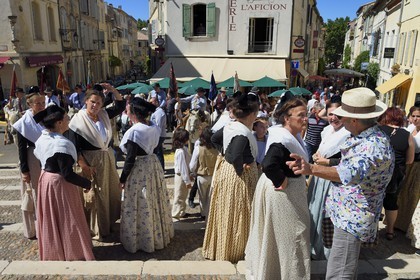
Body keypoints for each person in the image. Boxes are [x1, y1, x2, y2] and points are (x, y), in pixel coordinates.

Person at [287, 87, 393, 279]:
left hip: (351, 218)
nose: (339, 119)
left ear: (354, 120)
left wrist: (311, 169)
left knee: (340, 272)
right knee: (341, 268)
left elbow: (347, 173)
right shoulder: (365, 137)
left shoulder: (373, 146)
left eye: (343, 116)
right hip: (346, 215)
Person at [245, 92, 311, 279]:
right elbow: (268, 164)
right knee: (292, 236)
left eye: (306, 114)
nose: (305, 118)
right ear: (286, 118)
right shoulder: (283, 138)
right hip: (283, 194)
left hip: (285, 192)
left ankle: (278, 272)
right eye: (300, 115)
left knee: (281, 236)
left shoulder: (290, 135)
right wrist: (282, 181)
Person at [202, 91, 260, 262]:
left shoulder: (231, 126)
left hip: (227, 172)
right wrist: (240, 167)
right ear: (252, 114)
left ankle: (223, 247)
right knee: (238, 212)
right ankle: (234, 250)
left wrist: (224, 153)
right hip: (238, 176)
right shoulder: (242, 132)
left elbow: (214, 138)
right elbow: (235, 155)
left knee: (227, 210)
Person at [33, 105, 94, 261]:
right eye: (66, 118)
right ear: (59, 123)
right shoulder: (61, 144)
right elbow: (67, 174)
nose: (68, 120)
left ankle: (55, 250)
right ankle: (73, 252)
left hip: (45, 180)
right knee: (68, 218)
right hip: (59, 184)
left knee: (52, 218)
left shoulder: (43, 138)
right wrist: (87, 184)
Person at [65, 83, 125, 240]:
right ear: (86, 101)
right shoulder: (77, 121)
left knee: (108, 193)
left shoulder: (104, 115)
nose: (95, 105)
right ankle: (96, 229)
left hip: (106, 160)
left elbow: (120, 105)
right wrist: (83, 165)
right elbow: (73, 146)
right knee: (95, 196)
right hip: (90, 163)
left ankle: (108, 223)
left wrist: (113, 90)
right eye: (92, 102)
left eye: (99, 103)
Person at [119, 98, 174, 253]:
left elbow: (130, 159)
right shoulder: (153, 126)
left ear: (133, 112)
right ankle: (157, 233)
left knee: (140, 201)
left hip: (140, 168)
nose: (126, 110)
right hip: (152, 164)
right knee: (153, 199)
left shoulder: (135, 132)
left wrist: (122, 179)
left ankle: (140, 239)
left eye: (128, 108)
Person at [307, 100, 350, 260]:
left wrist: (329, 162)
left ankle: (324, 252)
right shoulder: (327, 130)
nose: (334, 118)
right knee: (314, 208)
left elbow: (349, 162)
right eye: (331, 114)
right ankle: (312, 245)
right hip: (319, 176)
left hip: (333, 179)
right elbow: (322, 150)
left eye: (338, 114)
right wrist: (317, 157)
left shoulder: (348, 133)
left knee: (326, 214)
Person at [12, 90, 45, 239]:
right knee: (35, 194)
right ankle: (35, 229)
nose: (41, 105)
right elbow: (21, 149)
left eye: (43, 102)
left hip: (46, 157)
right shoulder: (23, 123)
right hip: (32, 159)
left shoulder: (46, 117)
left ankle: (47, 225)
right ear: (30, 104)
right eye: (38, 103)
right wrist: (24, 170)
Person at [378, 107, 415, 240]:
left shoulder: (378, 131)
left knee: (374, 200)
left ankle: (371, 231)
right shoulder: (407, 135)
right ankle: (390, 231)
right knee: (391, 202)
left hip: (378, 171)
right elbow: (410, 160)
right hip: (396, 173)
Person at [395, 105, 420, 232]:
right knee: (402, 193)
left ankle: (408, 225)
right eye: (413, 116)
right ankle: (399, 222)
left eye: (418, 116)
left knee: (413, 195)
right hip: (407, 164)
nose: (416, 119)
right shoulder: (410, 128)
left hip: (417, 166)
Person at [189, 126, 218, 219]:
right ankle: (210, 215)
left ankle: (204, 214)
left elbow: (192, 165)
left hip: (202, 175)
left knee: (202, 197)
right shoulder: (217, 149)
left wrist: (193, 172)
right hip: (214, 175)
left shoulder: (198, 148)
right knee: (211, 197)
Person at [171, 128, 192, 219]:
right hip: (181, 176)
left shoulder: (184, 149)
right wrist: (187, 181)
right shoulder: (180, 152)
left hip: (184, 174)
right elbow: (182, 167)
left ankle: (181, 211)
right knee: (179, 195)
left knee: (183, 195)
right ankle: (175, 213)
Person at [150, 97, 167, 169]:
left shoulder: (159, 113)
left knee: (158, 152)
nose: (150, 104)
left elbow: (158, 125)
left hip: (159, 135)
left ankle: (161, 168)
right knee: (157, 152)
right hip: (157, 134)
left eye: (152, 102)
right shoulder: (155, 112)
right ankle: (160, 168)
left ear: (156, 102)